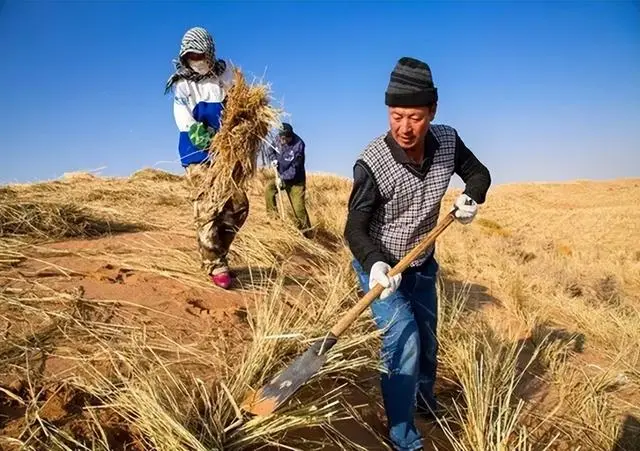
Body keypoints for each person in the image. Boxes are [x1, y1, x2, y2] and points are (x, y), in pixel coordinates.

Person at [344, 57, 491, 451]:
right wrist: (375, 262)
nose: (404, 128)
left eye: (415, 117)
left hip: (422, 265)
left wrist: (470, 197)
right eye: (396, 116)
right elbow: (353, 227)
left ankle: (425, 400)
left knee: (427, 339)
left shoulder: (448, 141)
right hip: (379, 270)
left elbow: (479, 173)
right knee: (404, 339)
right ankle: (402, 434)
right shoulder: (371, 163)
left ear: (433, 111)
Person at [165, 26, 248, 289]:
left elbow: (238, 105)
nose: (196, 60)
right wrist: (197, 131)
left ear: (209, 51)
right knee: (207, 207)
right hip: (196, 149)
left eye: (199, 54)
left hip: (224, 150)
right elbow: (182, 116)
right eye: (190, 56)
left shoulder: (226, 75)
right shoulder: (182, 83)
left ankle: (215, 252)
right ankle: (215, 264)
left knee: (238, 204)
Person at [265, 123, 312, 237]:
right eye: (280, 137)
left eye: (284, 138)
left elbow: (295, 168)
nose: (281, 140)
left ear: (290, 136)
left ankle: (307, 234)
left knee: (298, 209)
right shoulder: (278, 138)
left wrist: (282, 178)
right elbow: (270, 150)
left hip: (296, 181)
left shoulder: (298, 145)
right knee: (269, 189)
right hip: (281, 176)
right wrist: (273, 159)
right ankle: (274, 219)